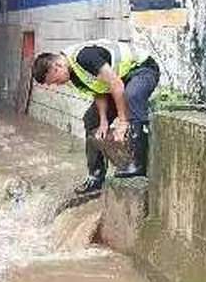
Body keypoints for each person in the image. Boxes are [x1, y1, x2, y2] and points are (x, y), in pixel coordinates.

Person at [32, 40, 160, 195]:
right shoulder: (72, 74)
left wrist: (123, 121)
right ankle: (95, 176)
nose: (57, 85)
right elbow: (99, 90)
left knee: (132, 96)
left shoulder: (84, 57)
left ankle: (138, 163)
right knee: (91, 120)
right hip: (121, 80)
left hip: (142, 70)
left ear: (57, 66)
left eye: (55, 81)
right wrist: (103, 121)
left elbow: (116, 84)